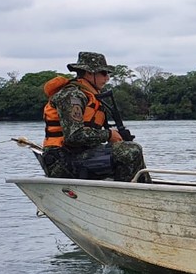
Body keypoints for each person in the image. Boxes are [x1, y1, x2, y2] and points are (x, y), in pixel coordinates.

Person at [42, 51, 149, 182]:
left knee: (131, 149)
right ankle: (125, 195)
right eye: (103, 73)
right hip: (62, 160)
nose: (107, 78)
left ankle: (144, 189)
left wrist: (117, 138)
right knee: (131, 151)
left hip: (79, 155)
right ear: (88, 73)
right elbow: (74, 136)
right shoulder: (72, 96)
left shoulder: (88, 94)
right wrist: (109, 135)